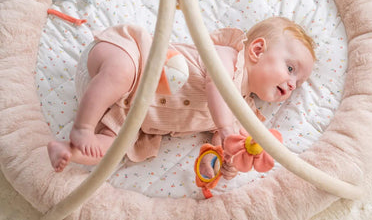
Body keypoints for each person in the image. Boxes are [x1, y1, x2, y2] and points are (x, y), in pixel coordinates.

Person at [47, 16, 315, 179]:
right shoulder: (229, 57)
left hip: (125, 110)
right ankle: (82, 127)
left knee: (114, 148)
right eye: (291, 69)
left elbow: (222, 142)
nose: (292, 84)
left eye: (298, 83)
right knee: (123, 71)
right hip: (126, 61)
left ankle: (68, 151)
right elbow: (216, 87)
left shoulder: (243, 111)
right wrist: (226, 127)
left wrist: (223, 159)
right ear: (257, 50)